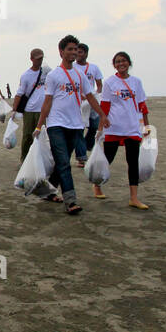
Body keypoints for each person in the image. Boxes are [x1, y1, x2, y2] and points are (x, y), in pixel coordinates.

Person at [35, 35, 107, 215]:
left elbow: (90, 96)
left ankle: (46, 191)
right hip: (56, 124)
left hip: (75, 124)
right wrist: (39, 125)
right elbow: (47, 101)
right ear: (61, 52)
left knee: (63, 161)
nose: (74, 52)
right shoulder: (53, 75)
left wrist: (102, 115)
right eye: (70, 49)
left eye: (76, 49)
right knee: (64, 163)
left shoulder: (79, 74)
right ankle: (71, 200)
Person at [93, 51, 153, 209]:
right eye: (118, 62)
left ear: (129, 63)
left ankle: (134, 197)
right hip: (113, 127)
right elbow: (104, 106)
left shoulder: (136, 82)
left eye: (124, 61)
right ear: (114, 65)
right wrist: (100, 129)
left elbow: (142, 106)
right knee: (108, 159)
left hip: (132, 127)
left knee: (133, 162)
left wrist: (146, 126)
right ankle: (97, 185)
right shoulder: (110, 83)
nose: (121, 64)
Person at [11, 48, 49, 161]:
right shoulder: (26, 75)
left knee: (43, 136)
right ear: (32, 59)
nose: (40, 61)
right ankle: (25, 159)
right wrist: (14, 109)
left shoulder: (47, 72)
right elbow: (19, 93)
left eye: (41, 58)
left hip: (44, 110)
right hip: (30, 110)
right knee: (28, 135)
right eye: (38, 59)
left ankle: (41, 160)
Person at [72, 42, 105, 166]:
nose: (77, 54)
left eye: (80, 52)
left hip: (92, 100)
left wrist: (97, 94)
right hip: (78, 101)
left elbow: (99, 84)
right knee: (79, 128)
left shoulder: (94, 68)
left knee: (94, 126)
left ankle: (87, 146)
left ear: (85, 53)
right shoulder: (73, 67)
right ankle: (81, 157)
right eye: (76, 52)